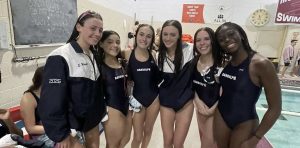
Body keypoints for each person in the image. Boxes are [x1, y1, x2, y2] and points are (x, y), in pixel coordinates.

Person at [38, 10, 106, 148]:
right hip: (71, 130)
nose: (98, 33)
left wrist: (101, 114)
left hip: (91, 124)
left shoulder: (94, 55)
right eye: (93, 28)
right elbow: (52, 101)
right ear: (78, 27)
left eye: (100, 30)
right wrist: (61, 134)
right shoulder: (60, 57)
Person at [214, 22, 282, 148]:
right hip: (221, 116)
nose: (227, 40)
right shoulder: (228, 62)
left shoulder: (261, 64)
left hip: (245, 121)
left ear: (242, 35)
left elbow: (275, 108)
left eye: (231, 34)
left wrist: (257, 137)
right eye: (221, 40)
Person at [157, 20, 194, 148]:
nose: (168, 38)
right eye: (165, 34)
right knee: (167, 141)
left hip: (185, 103)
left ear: (179, 35)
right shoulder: (158, 55)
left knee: (178, 143)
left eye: (173, 34)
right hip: (166, 103)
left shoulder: (190, 50)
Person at [122, 24, 160, 148]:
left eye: (149, 36)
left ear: (152, 39)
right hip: (137, 100)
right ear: (136, 35)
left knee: (148, 132)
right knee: (137, 136)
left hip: (154, 99)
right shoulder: (127, 53)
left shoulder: (153, 54)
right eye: (141, 34)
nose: (144, 39)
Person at [98, 30, 132, 148]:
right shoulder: (99, 67)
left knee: (125, 140)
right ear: (101, 44)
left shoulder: (123, 64)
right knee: (113, 145)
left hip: (127, 107)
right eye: (110, 42)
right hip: (112, 109)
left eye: (118, 42)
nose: (115, 45)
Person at [192, 27, 223, 148]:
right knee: (204, 139)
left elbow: (228, 92)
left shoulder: (221, 63)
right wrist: (197, 102)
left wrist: (213, 109)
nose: (202, 43)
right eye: (198, 40)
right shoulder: (193, 62)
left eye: (206, 39)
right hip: (200, 109)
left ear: (213, 41)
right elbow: (191, 86)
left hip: (217, 110)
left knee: (208, 142)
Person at [20, 66, 55, 147]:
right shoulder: (28, 98)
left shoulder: (52, 93)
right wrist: (56, 128)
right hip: (41, 135)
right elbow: (31, 128)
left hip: (55, 128)